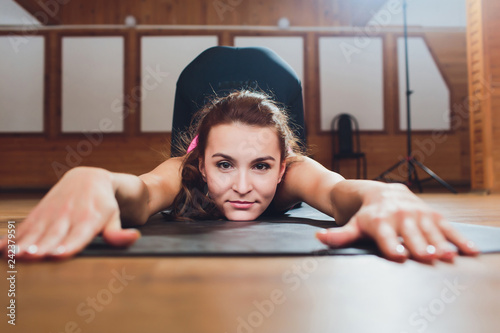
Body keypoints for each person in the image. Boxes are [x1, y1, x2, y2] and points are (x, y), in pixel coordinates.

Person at [0, 90, 479, 263]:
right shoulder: (181, 170)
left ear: (283, 166)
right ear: (200, 162)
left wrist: (383, 193)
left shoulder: (296, 173)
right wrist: (97, 178)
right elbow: (142, 192)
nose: (245, 186)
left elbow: (338, 190)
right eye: (224, 164)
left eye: (262, 167)